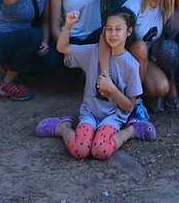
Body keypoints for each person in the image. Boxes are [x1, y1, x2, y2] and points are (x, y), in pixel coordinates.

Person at [38, 8, 154, 160]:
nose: (113, 34)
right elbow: (62, 48)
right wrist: (68, 26)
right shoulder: (93, 52)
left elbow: (129, 106)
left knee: (101, 150)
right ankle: (63, 128)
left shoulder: (131, 65)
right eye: (109, 29)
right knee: (79, 150)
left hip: (113, 116)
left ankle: (131, 131)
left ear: (129, 31)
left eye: (118, 29)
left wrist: (112, 89)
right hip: (90, 113)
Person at [122, 0, 174, 112]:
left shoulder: (165, 8)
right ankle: (135, 98)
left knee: (161, 87)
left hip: (143, 62)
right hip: (123, 59)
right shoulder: (133, 6)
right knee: (140, 47)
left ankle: (139, 94)